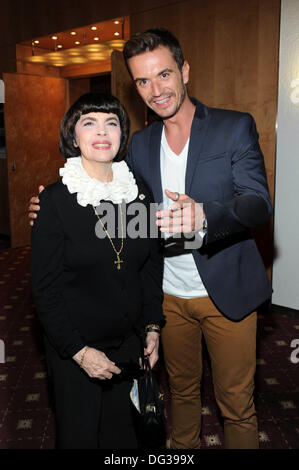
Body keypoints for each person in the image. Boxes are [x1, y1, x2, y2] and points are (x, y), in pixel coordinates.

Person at [29, 28, 273, 449]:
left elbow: (257, 203)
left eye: (163, 75)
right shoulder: (137, 146)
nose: (155, 90)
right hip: (165, 297)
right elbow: (106, 193)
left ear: (185, 71)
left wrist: (206, 216)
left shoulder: (234, 127)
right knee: (177, 398)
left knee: (235, 405)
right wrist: (50, 207)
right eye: (142, 81)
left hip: (225, 293)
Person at [30, 92, 164, 449]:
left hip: (129, 344)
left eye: (111, 122)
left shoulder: (138, 194)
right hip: (76, 348)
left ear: (122, 134)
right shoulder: (54, 201)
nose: (102, 131)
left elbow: (150, 266)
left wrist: (152, 326)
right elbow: (45, 291)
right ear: (74, 136)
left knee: (126, 438)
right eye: (89, 122)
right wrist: (80, 352)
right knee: (81, 437)